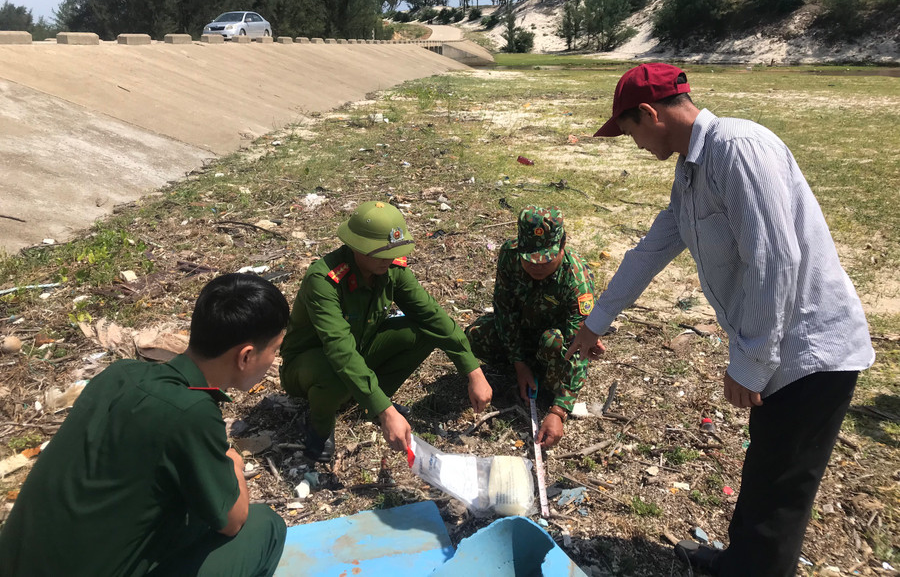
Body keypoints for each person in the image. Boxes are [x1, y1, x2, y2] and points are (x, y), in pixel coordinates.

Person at [566, 63, 874, 576]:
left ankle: (758, 567)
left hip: (810, 350)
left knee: (780, 493)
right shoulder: (690, 173)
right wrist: (596, 320)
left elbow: (776, 260)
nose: (634, 144)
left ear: (649, 113)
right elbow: (650, 251)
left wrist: (750, 360)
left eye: (630, 131)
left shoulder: (738, 150)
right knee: (764, 472)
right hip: (779, 349)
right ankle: (741, 561)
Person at [0, 273, 291, 577]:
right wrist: (232, 462)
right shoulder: (192, 411)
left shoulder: (121, 374)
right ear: (245, 356)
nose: (274, 358)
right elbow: (235, 519)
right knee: (265, 526)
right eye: (274, 349)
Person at [280, 200, 493, 461]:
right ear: (357, 246)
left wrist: (473, 370)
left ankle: (365, 403)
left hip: (361, 348)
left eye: (392, 252)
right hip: (310, 365)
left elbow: (432, 316)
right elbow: (340, 351)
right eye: (378, 252)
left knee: (422, 332)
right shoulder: (324, 281)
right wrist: (387, 412)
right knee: (333, 372)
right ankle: (318, 427)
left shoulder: (391, 270)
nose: (388, 259)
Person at [466, 205, 595, 448]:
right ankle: (527, 372)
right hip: (523, 335)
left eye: (545, 260)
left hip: (554, 345)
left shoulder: (576, 279)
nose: (536, 266)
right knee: (475, 335)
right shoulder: (509, 253)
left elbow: (579, 347)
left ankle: (547, 379)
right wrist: (519, 364)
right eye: (530, 259)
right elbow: (504, 311)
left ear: (562, 245)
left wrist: (559, 411)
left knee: (553, 340)